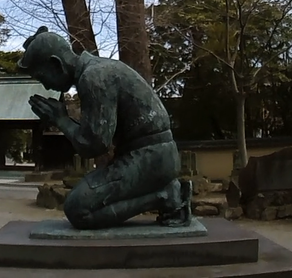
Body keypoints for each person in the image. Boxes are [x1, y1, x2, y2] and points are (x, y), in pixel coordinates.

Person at [18, 26, 189, 229]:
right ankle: (165, 193)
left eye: (42, 77)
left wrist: (60, 119)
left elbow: (94, 145)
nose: (46, 86)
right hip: (152, 154)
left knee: (77, 209)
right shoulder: (97, 69)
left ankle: (166, 196)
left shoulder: (93, 78)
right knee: (82, 199)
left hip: (152, 157)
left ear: (56, 65)